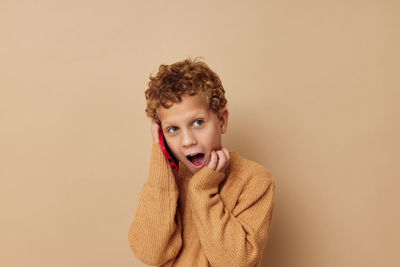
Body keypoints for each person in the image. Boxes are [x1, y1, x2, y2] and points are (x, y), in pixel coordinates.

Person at [128, 58, 275, 267]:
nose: (188, 141)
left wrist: (204, 190)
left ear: (221, 121)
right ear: (161, 135)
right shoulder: (166, 181)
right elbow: (151, 253)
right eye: (173, 129)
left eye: (198, 123)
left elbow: (236, 262)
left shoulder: (255, 180)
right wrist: (160, 164)